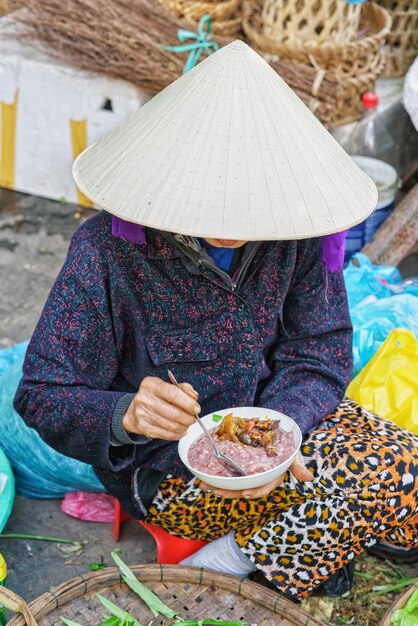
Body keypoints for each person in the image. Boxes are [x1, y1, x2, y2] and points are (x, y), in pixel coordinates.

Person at [14, 42, 418, 600]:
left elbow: (319, 355)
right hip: (164, 469)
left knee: (403, 470)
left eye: (249, 207)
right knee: (358, 491)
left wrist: (277, 436)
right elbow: (41, 393)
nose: (230, 226)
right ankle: (230, 562)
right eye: (210, 205)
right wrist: (125, 413)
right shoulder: (104, 252)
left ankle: (241, 552)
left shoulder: (298, 238)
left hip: (280, 424)